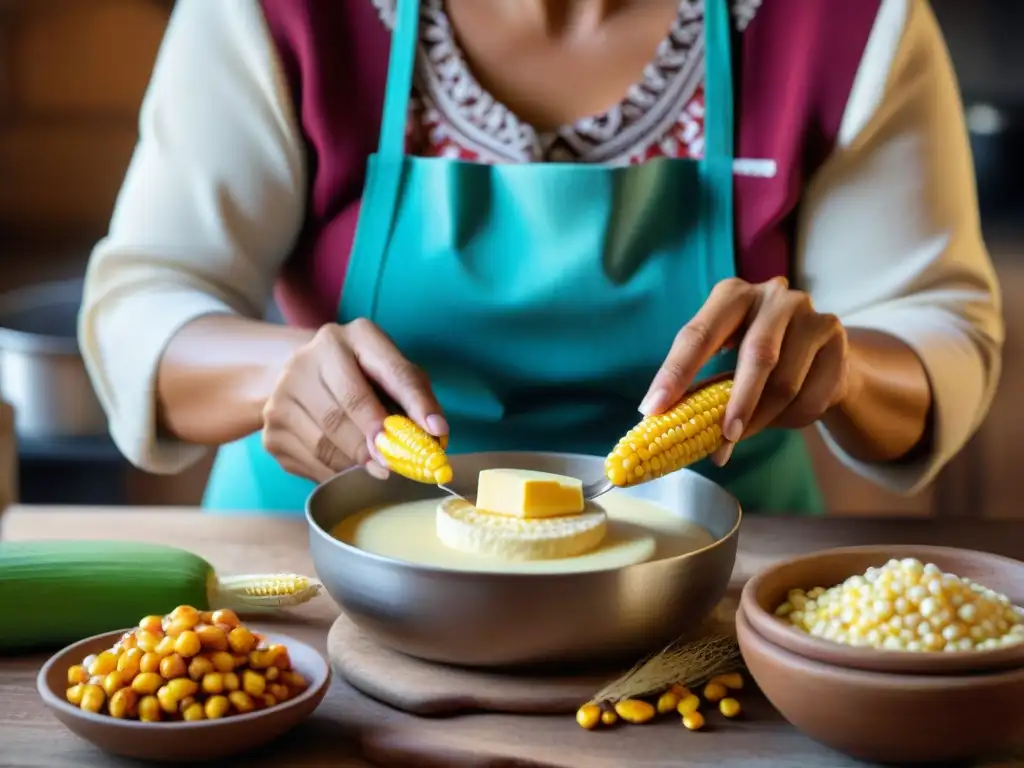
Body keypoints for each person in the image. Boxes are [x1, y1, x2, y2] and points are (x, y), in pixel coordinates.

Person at [78, 0, 1003, 515]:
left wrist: (840, 369)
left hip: (709, 593)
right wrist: (278, 371)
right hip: (325, 581)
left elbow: (936, 335)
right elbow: (143, 305)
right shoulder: (272, 14)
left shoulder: (846, 26)